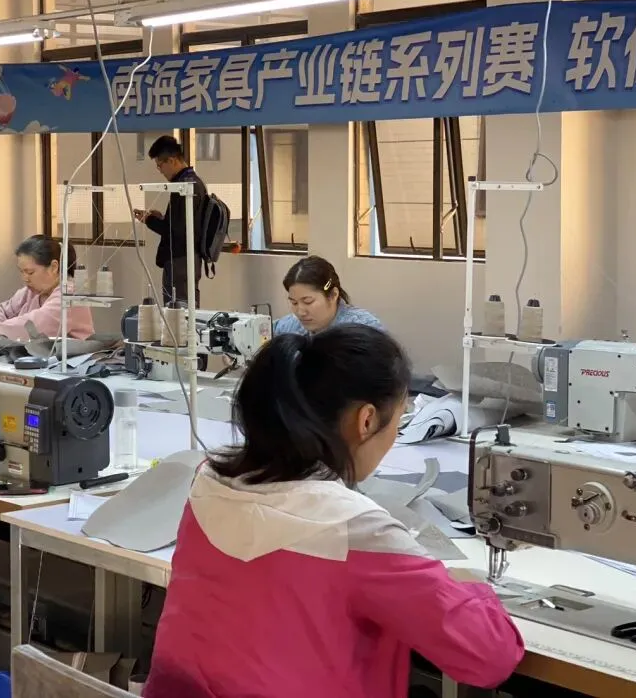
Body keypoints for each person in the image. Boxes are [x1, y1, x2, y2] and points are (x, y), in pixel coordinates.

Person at [144, 325, 524, 698]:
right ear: (367, 420)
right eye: (399, 419)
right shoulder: (355, 531)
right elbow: (490, 656)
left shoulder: (210, 482)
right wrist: (474, 589)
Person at [133, 135, 206, 306]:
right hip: (186, 259)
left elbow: (176, 230)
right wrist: (161, 218)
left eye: (160, 165)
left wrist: (149, 220)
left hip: (180, 261)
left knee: (178, 311)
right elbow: (183, 223)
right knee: (181, 308)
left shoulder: (185, 187)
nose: (160, 171)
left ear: (172, 160)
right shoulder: (193, 182)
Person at [0, 235, 94, 340]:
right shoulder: (30, 292)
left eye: (30, 272)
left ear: (53, 267)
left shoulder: (70, 296)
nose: (25, 278)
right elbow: (1, 311)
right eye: (21, 272)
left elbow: (30, 327)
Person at [273, 255, 383, 336]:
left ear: (333, 295)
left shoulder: (364, 329)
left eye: (308, 302)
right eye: (294, 303)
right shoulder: (288, 326)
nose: (300, 312)